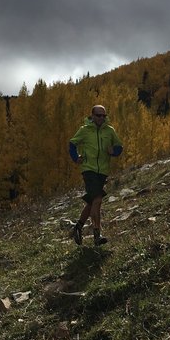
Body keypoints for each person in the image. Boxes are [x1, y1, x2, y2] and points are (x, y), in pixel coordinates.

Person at [68, 105, 123, 246]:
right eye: (98, 115)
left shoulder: (109, 131)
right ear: (92, 116)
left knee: (92, 202)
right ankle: (97, 235)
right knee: (98, 199)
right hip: (88, 169)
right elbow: (72, 144)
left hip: (102, 171)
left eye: (104, 116)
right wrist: (75, 158)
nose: (101, 118)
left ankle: (78, 228)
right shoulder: (84, 130)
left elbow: (119, 146)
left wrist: (114, 151)